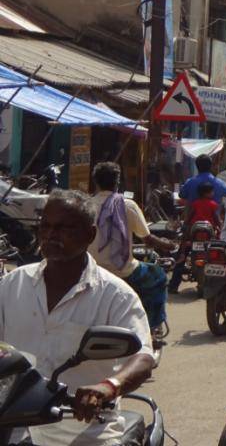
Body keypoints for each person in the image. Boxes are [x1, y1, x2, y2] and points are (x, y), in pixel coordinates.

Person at [0, 190, 156, 446]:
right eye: (46, 226)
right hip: (12, 424)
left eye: (65, 228)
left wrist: (108, 387)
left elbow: (143, 357)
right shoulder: (13, 283)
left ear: (90, 235)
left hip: (84, 427)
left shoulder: (115, 295)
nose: (51, 234)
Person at [88, 162, 174, 333]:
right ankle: (152, 327)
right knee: (158, 276)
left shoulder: (86, 206)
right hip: (124, 271)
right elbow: (148, 239)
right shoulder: (127, 205)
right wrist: (168, 245)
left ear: (96, 182)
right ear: (117, 182)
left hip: (92, 271)